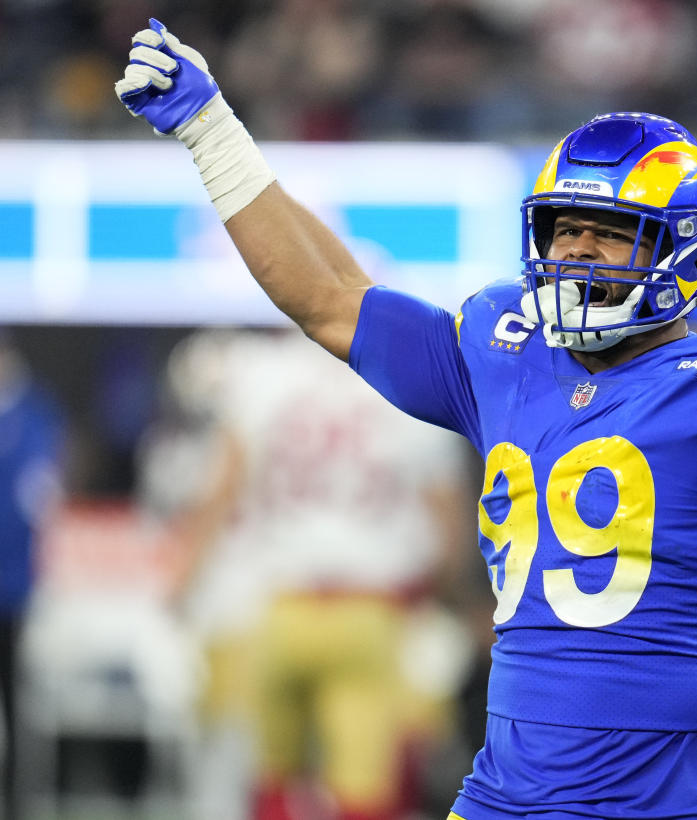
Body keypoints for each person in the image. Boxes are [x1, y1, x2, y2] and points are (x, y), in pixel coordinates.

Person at [114, 20, 697, 820]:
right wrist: (210, 130)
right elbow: (330, 298)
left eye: (611, 232)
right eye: (565, 227)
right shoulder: (505, 353)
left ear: (683, 250)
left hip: (677, 795)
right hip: (512, 791)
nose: (578, 251)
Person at [142, 327, 474, 820]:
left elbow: (219, 497)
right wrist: (449, 598)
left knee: (274, 781)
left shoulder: (264, 377)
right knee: (366, 792)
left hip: (281, 610)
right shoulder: (407, 385)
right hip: (372, 614)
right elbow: (449, 522)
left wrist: (176, 596)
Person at [0, 335, 64, 820]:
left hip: (12, 585)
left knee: (14, 698)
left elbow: (38, 495)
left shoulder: (32, 415)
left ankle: (19, 799)